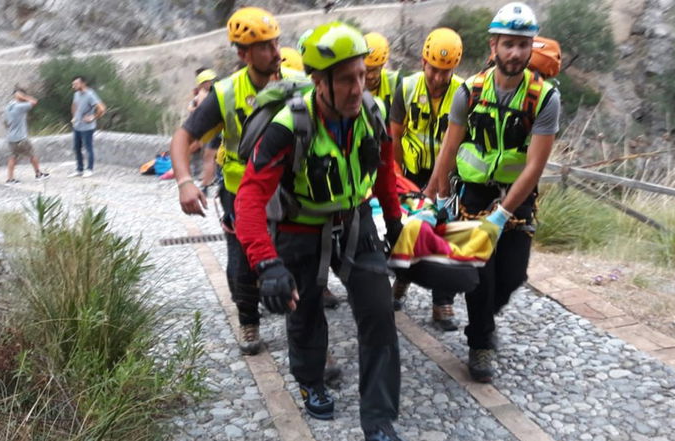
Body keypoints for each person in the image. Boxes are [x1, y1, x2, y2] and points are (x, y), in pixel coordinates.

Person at [234, 22, 406, 441]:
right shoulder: (287, 127)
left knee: (379, 314)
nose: (357, 88)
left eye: (362, 76)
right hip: (298, 228)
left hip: (355, 221)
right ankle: (311, 380)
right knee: (306, 312)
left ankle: (379, 421)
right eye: (346, 79)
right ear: (318, 80)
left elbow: (385, 174)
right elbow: (249, 200)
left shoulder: (371, 113)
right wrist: (267, 263)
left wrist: (396, 221)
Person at [425, 2, 561, 383]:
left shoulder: (544, 98)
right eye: (508, 44)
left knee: (513, 275)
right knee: (479, 276)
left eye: (522, 44)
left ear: (531, 47)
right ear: (493, 46)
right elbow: (448, 150)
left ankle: (485, 320)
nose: (515, 53)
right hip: (471, 197)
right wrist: (435, 197)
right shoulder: (469, 92)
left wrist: (503, 213)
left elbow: (535, 164)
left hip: (517, 200)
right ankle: (480, 342)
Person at [169, 7, 291, 355]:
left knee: (297, 258)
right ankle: (249, 322)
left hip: (288, 188)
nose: (275, 52)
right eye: (265, 46)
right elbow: (181, 137)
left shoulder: (294, 81)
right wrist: (185, 182)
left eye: (276, 43)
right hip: (240, 191)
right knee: (242, 261)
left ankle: (306, 330)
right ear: (243, 53)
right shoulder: (225, 93)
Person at [389, 27, 464, 331]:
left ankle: (442, 302)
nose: (439, 78)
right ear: (423, 62)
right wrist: (395, 178)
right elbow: (394, 136)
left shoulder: (464, 92)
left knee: (446, 235)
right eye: (434, 69)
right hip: (412, 174)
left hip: (447, 177)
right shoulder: (405, 88)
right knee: (411, 231)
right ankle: (403, 279)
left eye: (446, 72)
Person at [4, 88, 49, 184]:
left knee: (13, 157)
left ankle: (10, 179)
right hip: (21, 137)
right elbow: (34, 101)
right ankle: (38, 174)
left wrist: (19, 96)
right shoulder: (20, 107)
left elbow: (6, 122)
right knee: (32, 155)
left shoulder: (8, 106)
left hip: (11, 137)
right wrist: (24, 97)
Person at [187, 68, 220, 183]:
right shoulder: (216, 91)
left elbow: (201, 110)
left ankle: (207, 180)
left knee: (208, 155)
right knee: (210, 155)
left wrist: (192, 108)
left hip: (211, 128)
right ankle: (209, 177)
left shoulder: (206, 94)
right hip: (214, 127)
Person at [69, 76, 106, 178]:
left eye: (76, 84)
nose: (73, 86)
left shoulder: (90, 94)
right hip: (77, 126)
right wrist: (74, 117)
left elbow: (102, 108)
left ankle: (89, 169)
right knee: (77, 148)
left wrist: (93, 117)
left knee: (88, 148)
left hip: (87, 128)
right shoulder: (76, 94)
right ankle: (79, 169)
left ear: (83, 83)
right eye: (73, 84)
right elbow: (74, 105)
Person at [363, 32, 400, 117]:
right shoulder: (351, 86)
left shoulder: (396, 83)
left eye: (375, 69)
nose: (370, 75)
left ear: (382, 65)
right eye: (366, 69)